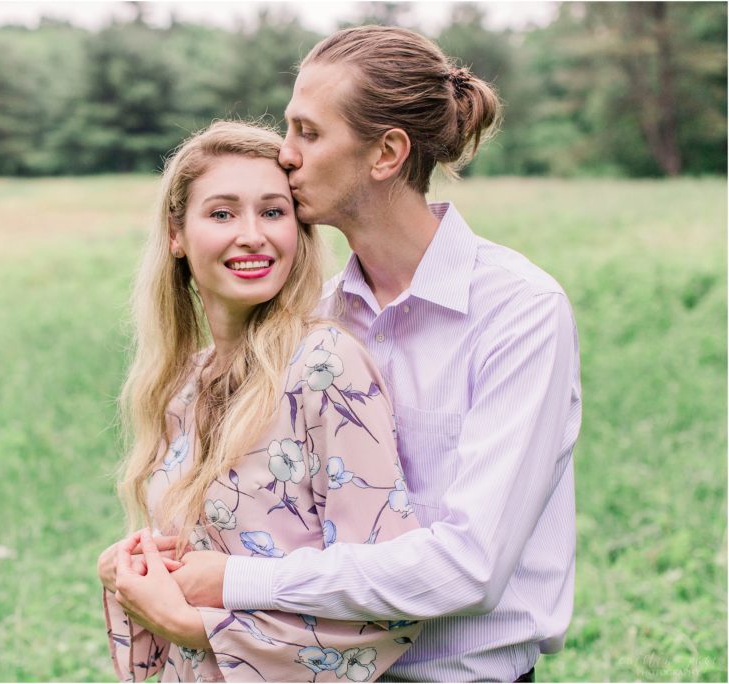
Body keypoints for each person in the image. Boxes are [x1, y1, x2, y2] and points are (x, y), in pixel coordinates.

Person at [114, 26, 582, 683]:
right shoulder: (314, 323)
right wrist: (148, 565)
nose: (286, 151)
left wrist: (236, 583)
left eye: (308, 131)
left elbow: (470, 566)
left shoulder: (517, 312)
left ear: (386, 153)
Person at [96, 120, 424, 682]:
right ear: (177, 234)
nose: (253, 235)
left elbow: (386, 589)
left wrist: (201, 629)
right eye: (222, 214)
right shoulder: (185, 384)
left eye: (273, 213)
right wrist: (135, 568)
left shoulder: (325, 367)